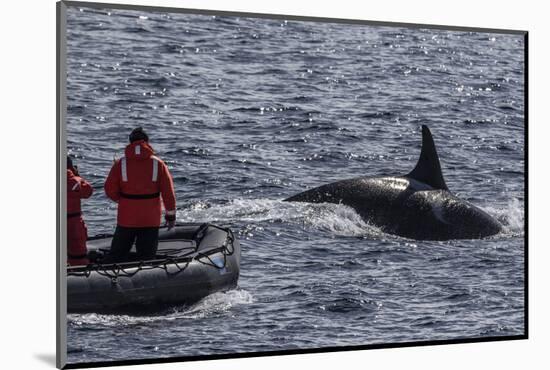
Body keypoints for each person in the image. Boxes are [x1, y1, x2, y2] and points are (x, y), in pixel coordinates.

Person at [104, 127, 176, 263]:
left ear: (130, 142)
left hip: (126, 217)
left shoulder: (120, 164)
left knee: (116, 256)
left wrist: (123, 200)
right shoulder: (158, 163)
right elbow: (169, 193)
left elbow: (109, 189)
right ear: (147, 142)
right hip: (150, 219)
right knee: (147, 258)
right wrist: (170, 216)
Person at [67, 156, 94, 266]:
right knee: (78, 256)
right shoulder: (75, 181)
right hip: (73, 222)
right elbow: (88, 191)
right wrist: (76, 175)